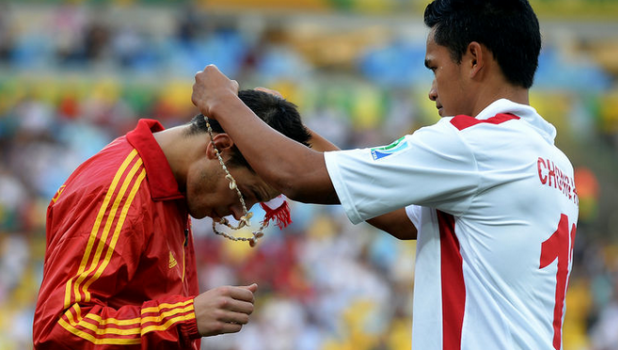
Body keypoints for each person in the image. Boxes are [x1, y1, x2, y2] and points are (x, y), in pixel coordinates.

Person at [190, 0, 580, 349]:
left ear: (474, 59)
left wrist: (223, 101)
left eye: (435, 68)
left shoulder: (472, 143)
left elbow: (297, 177)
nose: (431, 91)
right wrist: (300, 131)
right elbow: (401, 219)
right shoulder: (553, 162)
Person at [33, 90, 312, 349]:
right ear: (218, 148)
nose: (241, 214)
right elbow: (59, 327)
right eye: (247, 194)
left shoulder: (170, 187)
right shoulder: (120, 192)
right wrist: (184, 318)